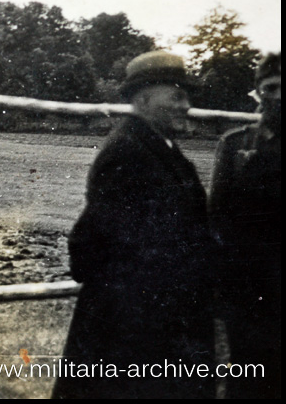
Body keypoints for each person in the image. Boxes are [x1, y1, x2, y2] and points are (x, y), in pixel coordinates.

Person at [54, 50, 216, 399]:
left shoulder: (161, 148)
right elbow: (92, 242)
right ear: (143, 98)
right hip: (134, 328)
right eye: (176, 95)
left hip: (160, 320)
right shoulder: (127, 152)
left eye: (186, 96)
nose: (186, 104)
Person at [210, 52, 280, 399]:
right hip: (248, 287)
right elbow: (218, 215)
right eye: (272, 87)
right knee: (248, 375)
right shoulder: (236, 144)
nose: (279, 96)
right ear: (258, 92)